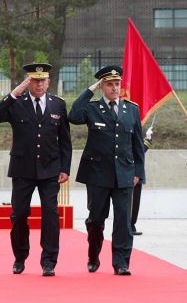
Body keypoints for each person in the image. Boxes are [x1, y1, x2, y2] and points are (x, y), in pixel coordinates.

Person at [0, 63, 72, 277]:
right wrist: (15, 93)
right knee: (19, 215)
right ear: (28, 81)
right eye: (35, 80)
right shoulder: (17, 103)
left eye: (43, 80)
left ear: (49, 82)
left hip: (50, 168)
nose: (39, 84)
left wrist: (65, 168)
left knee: (51, 215)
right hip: (23, 169)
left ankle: (49, 261)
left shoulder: (58, 105)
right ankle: (20, 257)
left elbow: (65, 140)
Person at [68, 65, 145, 276]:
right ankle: (93, 255)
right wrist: (89, 90)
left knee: (123, 221)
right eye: (109, 84)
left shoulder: (131, 109)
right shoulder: (92, 108)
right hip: (97, 174)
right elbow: (73, 116)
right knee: (95, 220)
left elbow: (137, 144)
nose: (114, 88)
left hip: (124, 174)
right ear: (102, 86)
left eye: (117, 84)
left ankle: (121, 263)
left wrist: (139, 172)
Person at [130, 125, 153, 236]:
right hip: (131, 174)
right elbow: (136, 151)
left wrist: (148, 139)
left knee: (135, 204)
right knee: (130, 203)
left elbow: (140, 150)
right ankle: (128, 225)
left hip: (137, 175)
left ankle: (131, 224)